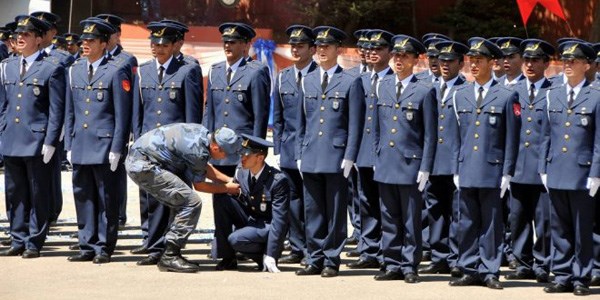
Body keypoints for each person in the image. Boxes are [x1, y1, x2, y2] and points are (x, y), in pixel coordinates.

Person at [129, 21, 203, 265]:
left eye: (163, 44)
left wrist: (191, 151)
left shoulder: (187, 70)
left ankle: (169, 247)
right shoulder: (146, 69)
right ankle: (153, 246)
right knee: (150, 199)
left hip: (174, 151)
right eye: (154, 43)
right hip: (149, 150)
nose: (157, 49)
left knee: (173, 198)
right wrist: (138, 139)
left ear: (174, 46)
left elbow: (192, 115)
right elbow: (140, 110)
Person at [450, 37, 520, 290]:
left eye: (480, 60)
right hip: (467, 166)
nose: (474, 64)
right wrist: (455, 167)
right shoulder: (461, 94)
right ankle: (469, 267)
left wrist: (507, 172)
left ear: (492, 63)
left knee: (491, 222)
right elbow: (456, 136)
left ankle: (490, 269)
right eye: (472, 60)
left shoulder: (506, 95)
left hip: (492, 168)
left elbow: (512, 138)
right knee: (466, 221)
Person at [294, 25, 364, 278]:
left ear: (339, 50)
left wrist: (350, 155)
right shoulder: (309, 79)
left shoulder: (350, 81)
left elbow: (355, 122)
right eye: (319, 46)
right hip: (311, 153)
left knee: (335, 211)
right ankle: (314, 257)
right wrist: (300, 151)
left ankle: (331, 259)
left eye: (328, 46)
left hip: (336, 156)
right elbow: (301, 120)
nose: (322, 50)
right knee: (313, 210)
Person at [126, 124, 242, 273]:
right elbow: (200, 186)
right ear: (216, 148)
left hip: (144, 160)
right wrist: (227, 189)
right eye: (225, 153)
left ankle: (171, 252)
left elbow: (203, 167)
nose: (225, 157)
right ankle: (170, 256)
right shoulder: (197, 151)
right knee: (191, 202)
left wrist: (228, 179)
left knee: (182, 199)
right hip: (143, 167)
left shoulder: (202, 134)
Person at [64, 18, 131, 264]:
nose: (85, 45)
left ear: (104, 43)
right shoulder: (75, 69)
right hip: (80, 143)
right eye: (84, 41)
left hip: (104, 145)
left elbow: (122, 115)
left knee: (106, 198)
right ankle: (86, 243)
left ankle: (104, 245)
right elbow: (70, 111)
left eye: (91, 41)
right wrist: (68, 146)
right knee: (83, 195)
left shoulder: (115, 70)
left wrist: (118, 147)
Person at [371, 35, 437, 283]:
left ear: (415, 60)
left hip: (411, 163)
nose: (399, 60)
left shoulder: (424, 90)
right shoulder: (384, 86)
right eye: (396, 55)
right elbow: (377, 127)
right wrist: (376, 154)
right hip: (387, 162)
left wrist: (425, 167)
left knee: (411, 219)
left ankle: (409, 265)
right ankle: (392, 263)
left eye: (405, 56)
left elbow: (431, 133)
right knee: (389, 217)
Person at [539, 40, 600, 296]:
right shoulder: (553, 93)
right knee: (559, 228)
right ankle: (562, 274)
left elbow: (599, 139)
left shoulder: (596, 96)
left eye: (574, 61)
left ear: (587, 65)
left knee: (582, 228)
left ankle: (581, 277)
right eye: (565, 61)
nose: (568, 65)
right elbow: (546, 135)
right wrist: (543, 167)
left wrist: (596, 172)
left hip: (582, 174)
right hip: (556, 171)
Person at [0, 15, 65, 258]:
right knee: (15, 193)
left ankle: (34, 241)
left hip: (37, 141)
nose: (19, 38)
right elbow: (2, 104)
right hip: (11, 138)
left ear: (38, 39)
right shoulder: (7, 66)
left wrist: (51, 141)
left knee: (38, 193)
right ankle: (17, 237)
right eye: (17, 35)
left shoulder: (51, 68)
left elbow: (56, 109)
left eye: (26, 34)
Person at [504, 38, 555, 283]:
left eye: (536, 60)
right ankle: (522, 261)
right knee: (518, 217)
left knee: (543, 219)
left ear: (547, 63)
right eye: (526, 60)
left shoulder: (554, 91)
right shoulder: (514, 91)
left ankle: (543, 263)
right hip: (518, 165)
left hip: (543, 166)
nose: (530, 64)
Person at [346, 29, 394, 270]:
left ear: (390, 53)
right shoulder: (361, 81)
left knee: (388, 204)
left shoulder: (396, 79)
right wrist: (352, 154)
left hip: (388, 152)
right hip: (364, 151)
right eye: (371, 49)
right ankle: (369, 249)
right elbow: (354, 120)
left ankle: (390, 250)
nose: (373, 53)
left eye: (379, 49)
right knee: (365, 201)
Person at [420, 40, 468, 277]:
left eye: (450, 61)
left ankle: (457, 257)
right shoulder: (427, 87)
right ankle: (439, 255)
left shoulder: (466, 89)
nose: (445, 64)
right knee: (435, 208)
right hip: (433, 160)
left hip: (455, 160)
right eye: (442, 60)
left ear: (461, 63)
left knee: (457, 211)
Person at [272, 24, 317, 265]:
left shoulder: (320, 75)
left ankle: (314, 247)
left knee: (313, 202)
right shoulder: (284, 77)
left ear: (312, 48)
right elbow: (277, 118)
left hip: (313, 149)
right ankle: (297, 246)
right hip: (289, 149)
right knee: (293, 201)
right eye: (293, 46)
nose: (296, 50)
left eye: (301, 46)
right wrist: (278, 149)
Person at [213, 134, 290, 272]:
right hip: (251, 220)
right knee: (221, 199)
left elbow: (279, 220)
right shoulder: (241, 172)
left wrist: (272, 253)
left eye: (247, 155)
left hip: (267, 225)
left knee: (235, 239)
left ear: (260, 158)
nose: (242, 158)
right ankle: (228, 258)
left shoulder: (278, 180)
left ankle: (265, 255)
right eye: (241, 153)